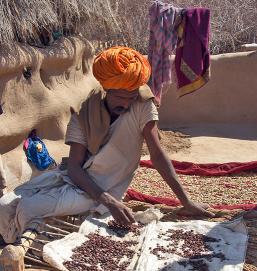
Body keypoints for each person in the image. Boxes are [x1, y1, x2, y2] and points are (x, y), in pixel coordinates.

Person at [0, 46, 213, 244]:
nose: (127, 103)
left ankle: (19, 252)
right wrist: (109, 202)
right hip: (81, 184)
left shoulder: (141, 107)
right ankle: (13, 239)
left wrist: (185, 201)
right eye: (121, 97)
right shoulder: (84, 116)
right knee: (3, 204)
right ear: (107, 89)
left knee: (28, 207)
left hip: (104, 188)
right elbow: (74, 169)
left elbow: (157, 155)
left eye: (131, 96)